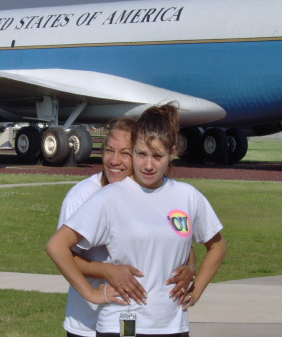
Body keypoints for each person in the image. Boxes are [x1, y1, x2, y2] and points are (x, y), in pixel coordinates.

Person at [47, 103, 226, 336]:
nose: (148, 164)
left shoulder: (187, 196)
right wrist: (98, 286)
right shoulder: (103, 197)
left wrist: (194, 278)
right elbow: (58, 246)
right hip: (111, 322)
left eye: (157, 155)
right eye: (141, 154)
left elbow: (199, 245)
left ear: (171, 153)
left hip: (171, 324)